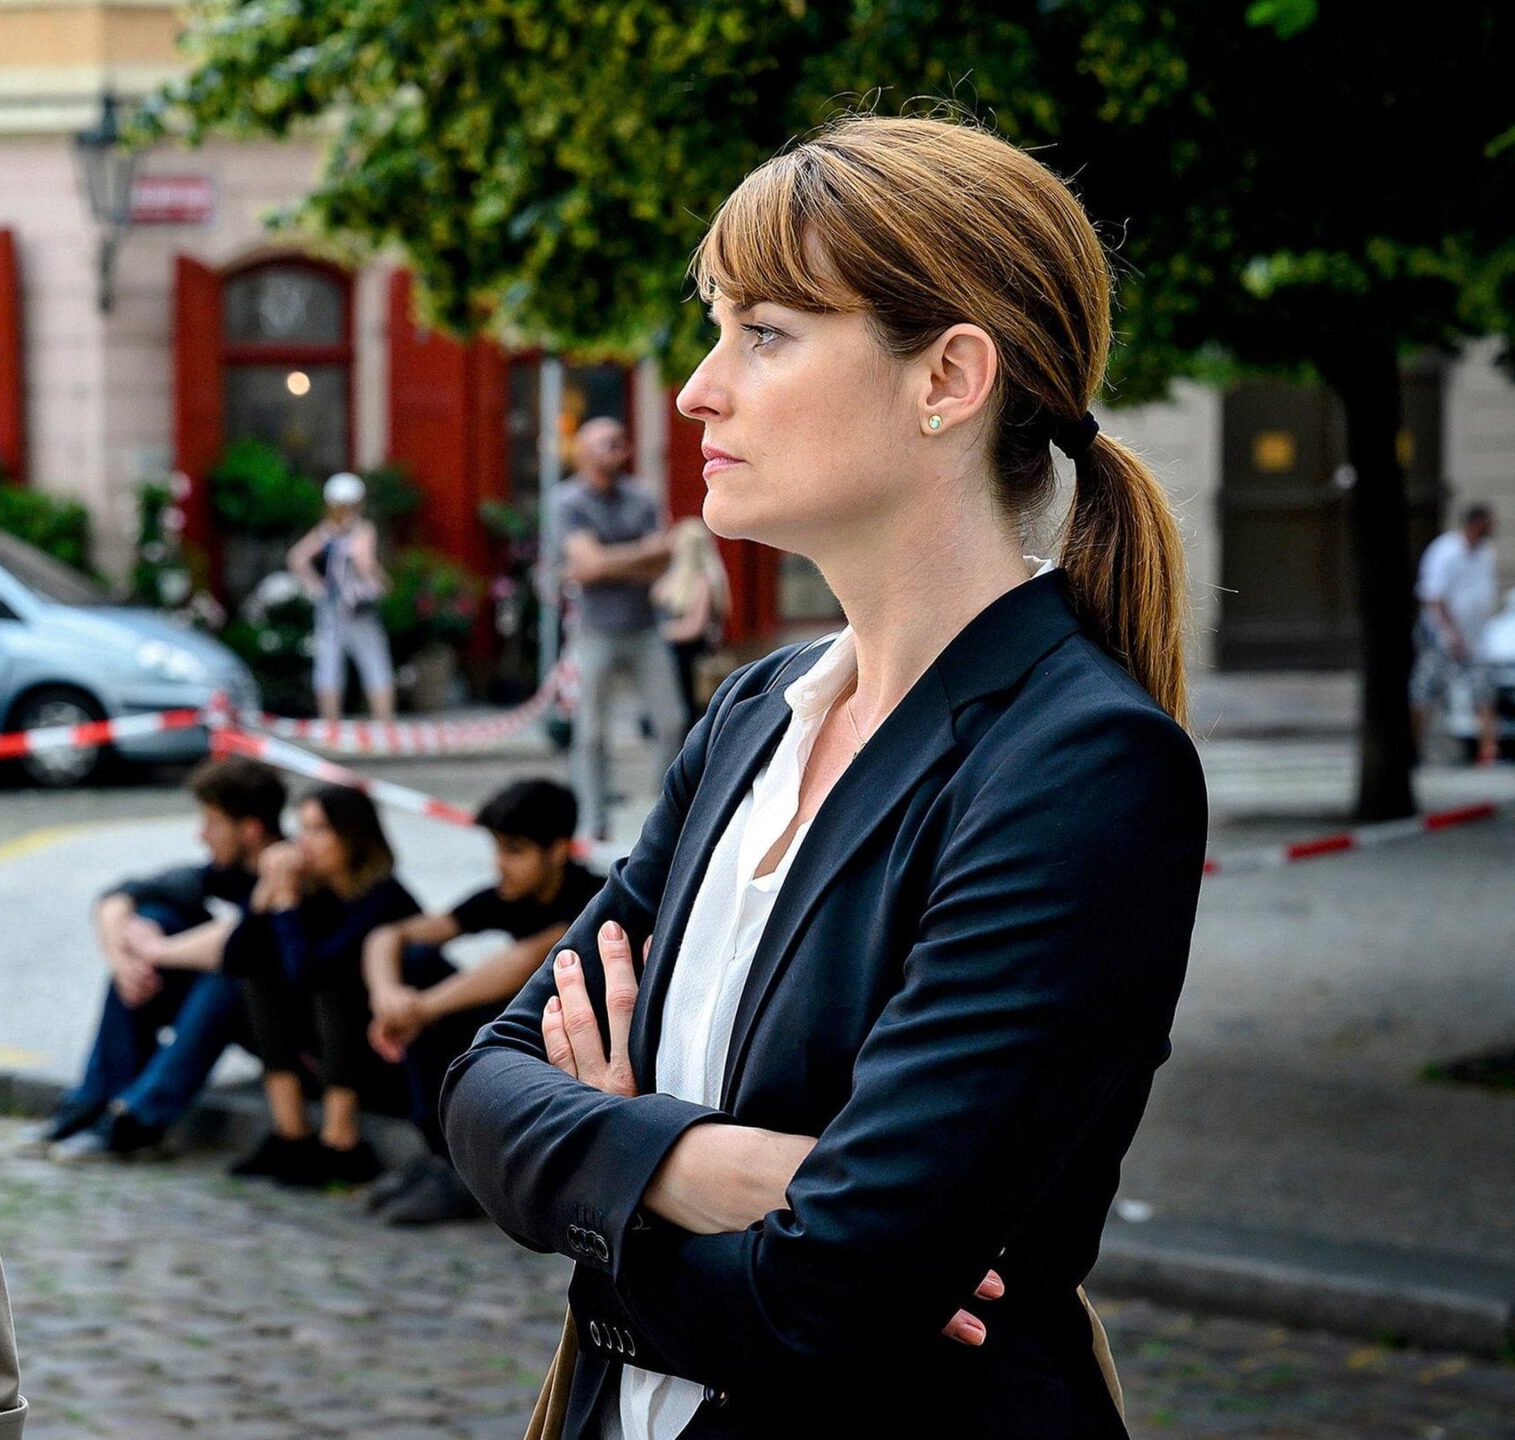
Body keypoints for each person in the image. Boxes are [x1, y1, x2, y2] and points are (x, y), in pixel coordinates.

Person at [444, 115, 1208, 1440]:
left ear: (946, 378)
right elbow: (480, 1089)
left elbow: (830, 1286)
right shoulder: (756, 713)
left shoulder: (1082, 763)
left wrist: (604, 1180)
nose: (697, 390)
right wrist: (704, 1164)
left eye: (765, 333)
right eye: (717, 328)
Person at [362, 778, 601, 1225]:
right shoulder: (508, 895)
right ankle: (440, 1157)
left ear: (557, 851)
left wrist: (420, 1009)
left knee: (464, 1024)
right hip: (529, 1032)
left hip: (580, 1048)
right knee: (416, 963)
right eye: (497, 848)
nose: (499, 864)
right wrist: (388, 996)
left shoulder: (592, 899)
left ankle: (465, 1175)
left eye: (515, 851)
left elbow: (528, 959)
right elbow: (388, 936)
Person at [36, 755, 286, 1162]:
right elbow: (118, 896)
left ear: (251, 829)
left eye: (213, 823)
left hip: (296, 1034)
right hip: (250, 1013)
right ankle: (96, 1099)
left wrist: (156, 950)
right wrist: (124, 962)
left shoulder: (286, 873)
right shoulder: (224, 872)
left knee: (228, 975)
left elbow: (246, 941)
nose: (201, 834)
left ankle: (138, 1119)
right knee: (158, 916)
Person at [228, 783, 420, 1188]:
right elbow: (237, 959)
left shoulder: (384, 899)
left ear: (353, 837)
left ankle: (341, 1142)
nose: (304, 843)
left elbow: (312, 974)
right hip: (326, 1051)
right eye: (302, 830)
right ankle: (291, 1132)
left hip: (388, 1055)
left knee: (333, 982)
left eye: (319, 830)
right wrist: (264, 895)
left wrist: (285, 905)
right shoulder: (318, 892)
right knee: (257, 974)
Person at [557, 417, 688, 841]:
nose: (613, 451)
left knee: (671, 721)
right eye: (603, 444)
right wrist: (639, 556)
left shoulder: (642, 496)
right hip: (594, 630)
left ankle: (662, 819)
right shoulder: (568, 501)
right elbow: (588, 564)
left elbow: (662, 560)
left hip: (645, 627)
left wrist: (605, 563)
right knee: (591, 731)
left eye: (618, 442)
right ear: (582, 452)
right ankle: (593, 820)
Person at [288, 471, 395, 724]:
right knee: (374, 662)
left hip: (329, 606)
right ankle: (384, 723)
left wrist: (318, 586)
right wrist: (383, 582)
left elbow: (296, 558)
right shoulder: (361, 529)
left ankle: (331, 725)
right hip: (358, 609)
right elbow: (364, 563)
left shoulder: (326, 531)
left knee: (328, 665)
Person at [1412, 502, 1501, 765]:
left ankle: (1488, 749)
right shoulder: (1446, 551)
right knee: (1425, 690)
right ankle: (1414, 746)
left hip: (1475, 637)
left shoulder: (1485, 554)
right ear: (1476, 523)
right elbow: (1434, 597)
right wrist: (1450, 633)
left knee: (1484, 692)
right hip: (1441, 637)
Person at [652, 517, 730, 726]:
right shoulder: (676, 577)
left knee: (688, 711)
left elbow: (694, 627)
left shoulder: (703, 581)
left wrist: (659, 633)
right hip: (676, 656)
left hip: (690, 658)